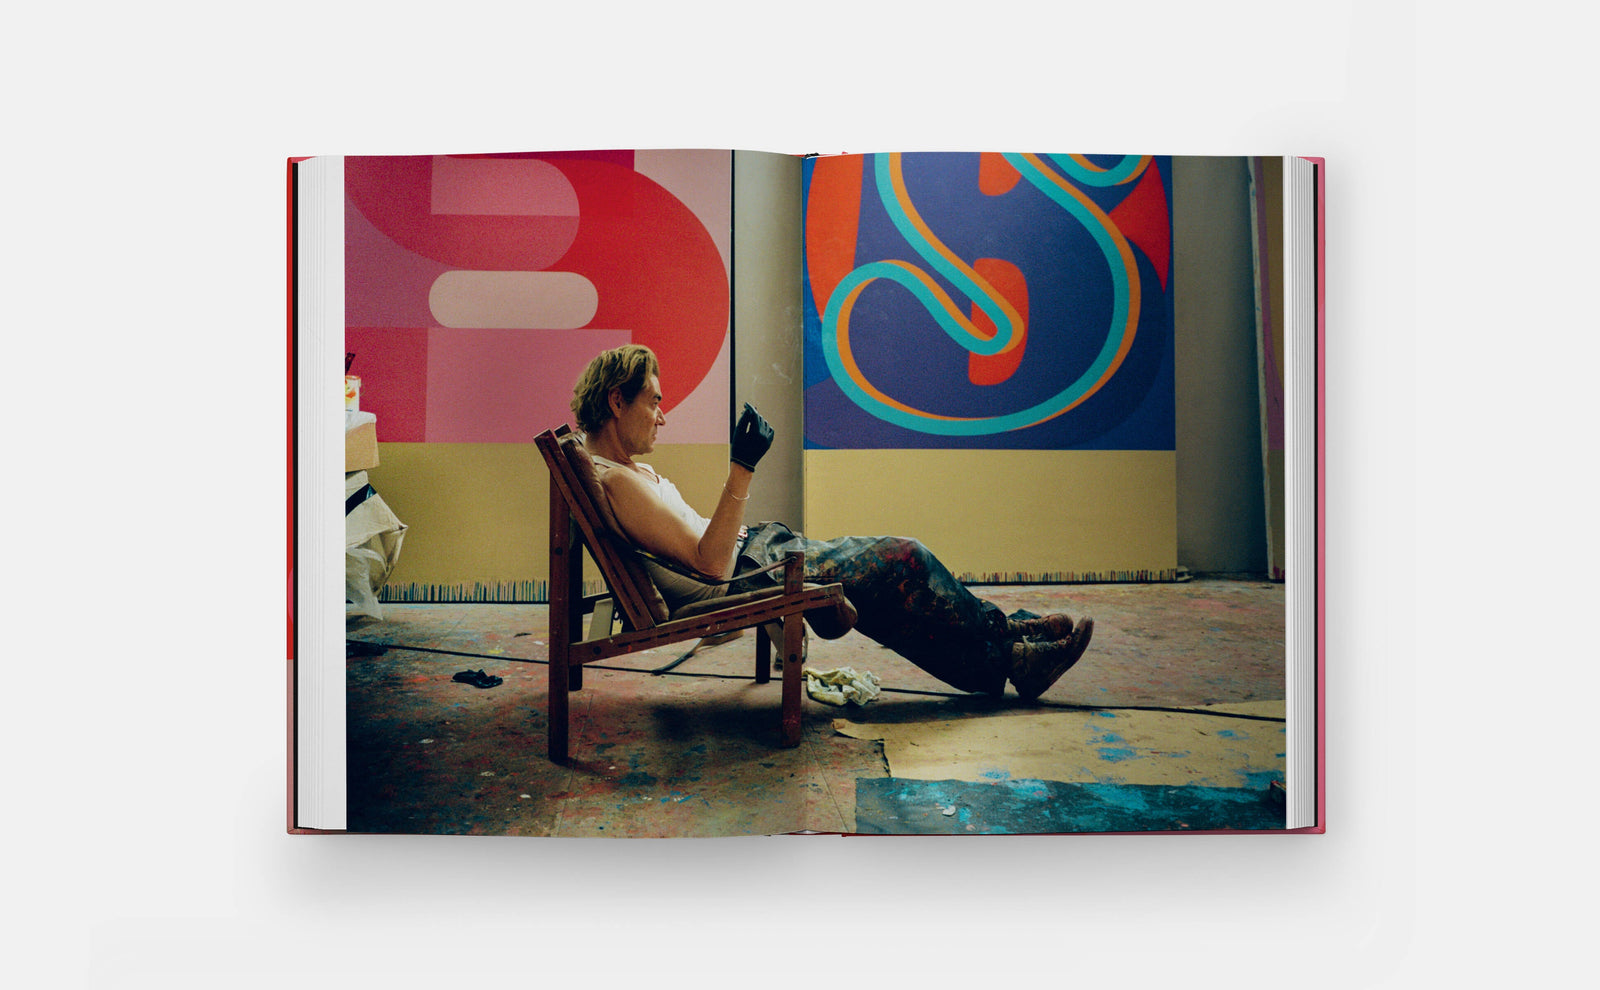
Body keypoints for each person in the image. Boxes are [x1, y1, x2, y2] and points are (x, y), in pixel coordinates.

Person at [569, 344, 1094, 701]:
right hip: (754, 568)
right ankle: (1009, 635)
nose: (663, 416)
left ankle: (1007, 666)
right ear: (618, 401)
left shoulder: (620, 472)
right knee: (903, 557)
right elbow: (710, 563)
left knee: (887, 604)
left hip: (759, 554)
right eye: (654, 401)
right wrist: (742, 467)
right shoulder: (618, 482)